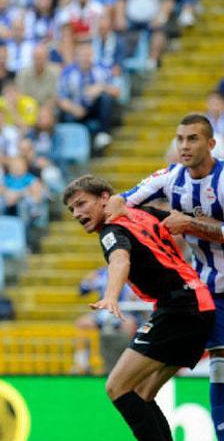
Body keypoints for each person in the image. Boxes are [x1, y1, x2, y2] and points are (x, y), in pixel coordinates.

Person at [64, 175, 214, 441]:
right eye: (72, 209)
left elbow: (120, 260)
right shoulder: (141, 212)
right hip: (200, 304)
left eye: (81, 204)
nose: (77, 213)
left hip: (180, 308)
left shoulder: (111, 230)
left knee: (116, 386)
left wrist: (110, 296)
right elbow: (178, 221)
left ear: (104, 199)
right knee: (142, 393)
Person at [107, 113, 224, 440]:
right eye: (180, 139)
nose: (184, 146)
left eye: (193, 139)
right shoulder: (171, 178)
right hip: (208, 289)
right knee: (214, 363)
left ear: (211, 144)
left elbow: (193, 226)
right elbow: (121, 201)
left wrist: (191, 225)